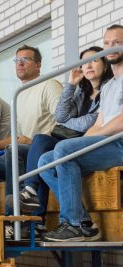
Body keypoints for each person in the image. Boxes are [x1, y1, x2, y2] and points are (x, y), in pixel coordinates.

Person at [5, 46, 113, 220]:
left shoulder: (109, 90)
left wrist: (67, 122)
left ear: (105, 65)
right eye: (85, 63)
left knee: (44, 150)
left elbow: (89, 121)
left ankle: (38, 206)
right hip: (66, 140)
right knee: (32, 146)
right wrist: (71, 84)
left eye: (94, 60)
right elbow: (61, 115)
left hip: (84, 141)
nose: (89, 66)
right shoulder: (81, 91)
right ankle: (26, 199)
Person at [38, 24, 123, 242]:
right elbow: (100, 122)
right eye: (106, 43)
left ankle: (72, 224)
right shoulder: (110, 86)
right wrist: (81, 145)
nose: (110, 47)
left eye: (116, 42)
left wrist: (81, 144)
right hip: (107, 143)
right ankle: (84, 223)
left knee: (64, 150)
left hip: (119, 144)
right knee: (46, 161)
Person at [0, 45, 63, 216]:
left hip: (51, 144)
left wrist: (33, 141)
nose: (19, 63)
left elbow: (63, 121)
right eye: (17, 60)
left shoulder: (49, 85)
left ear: (38, 64)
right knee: (10, 151)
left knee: (19, 152)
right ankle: (15, 218)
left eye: (25, 59)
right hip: (29, 148)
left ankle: (20, 217)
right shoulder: (18, 95)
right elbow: (19, 134)